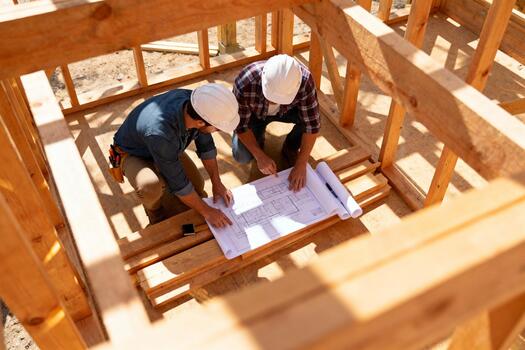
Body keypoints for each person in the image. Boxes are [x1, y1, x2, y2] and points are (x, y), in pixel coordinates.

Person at [111, 84, 238, 227]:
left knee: (197, 184)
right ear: (200, 122)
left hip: (165, 146)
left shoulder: (198, 104)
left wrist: (217, 182)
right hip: (134, 152)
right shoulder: (161, 133)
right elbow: (180, 185)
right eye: (218, 128)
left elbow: (206, 147)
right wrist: (207, 211)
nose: (219, 131)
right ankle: (155, 213)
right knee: (150, 187)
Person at [232, 54, 320, 191]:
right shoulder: (245, 81)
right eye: (271, 97)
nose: (274, 102)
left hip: (288, 113)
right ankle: (258, 143)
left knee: (312, 119)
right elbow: (240, 124)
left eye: (281, 98)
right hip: (255, 116)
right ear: (263, 79)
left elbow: (312, 125)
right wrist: (259, 155)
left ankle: (291, 147)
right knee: (241, 156)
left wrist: (301, 163)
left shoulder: (305, 80)